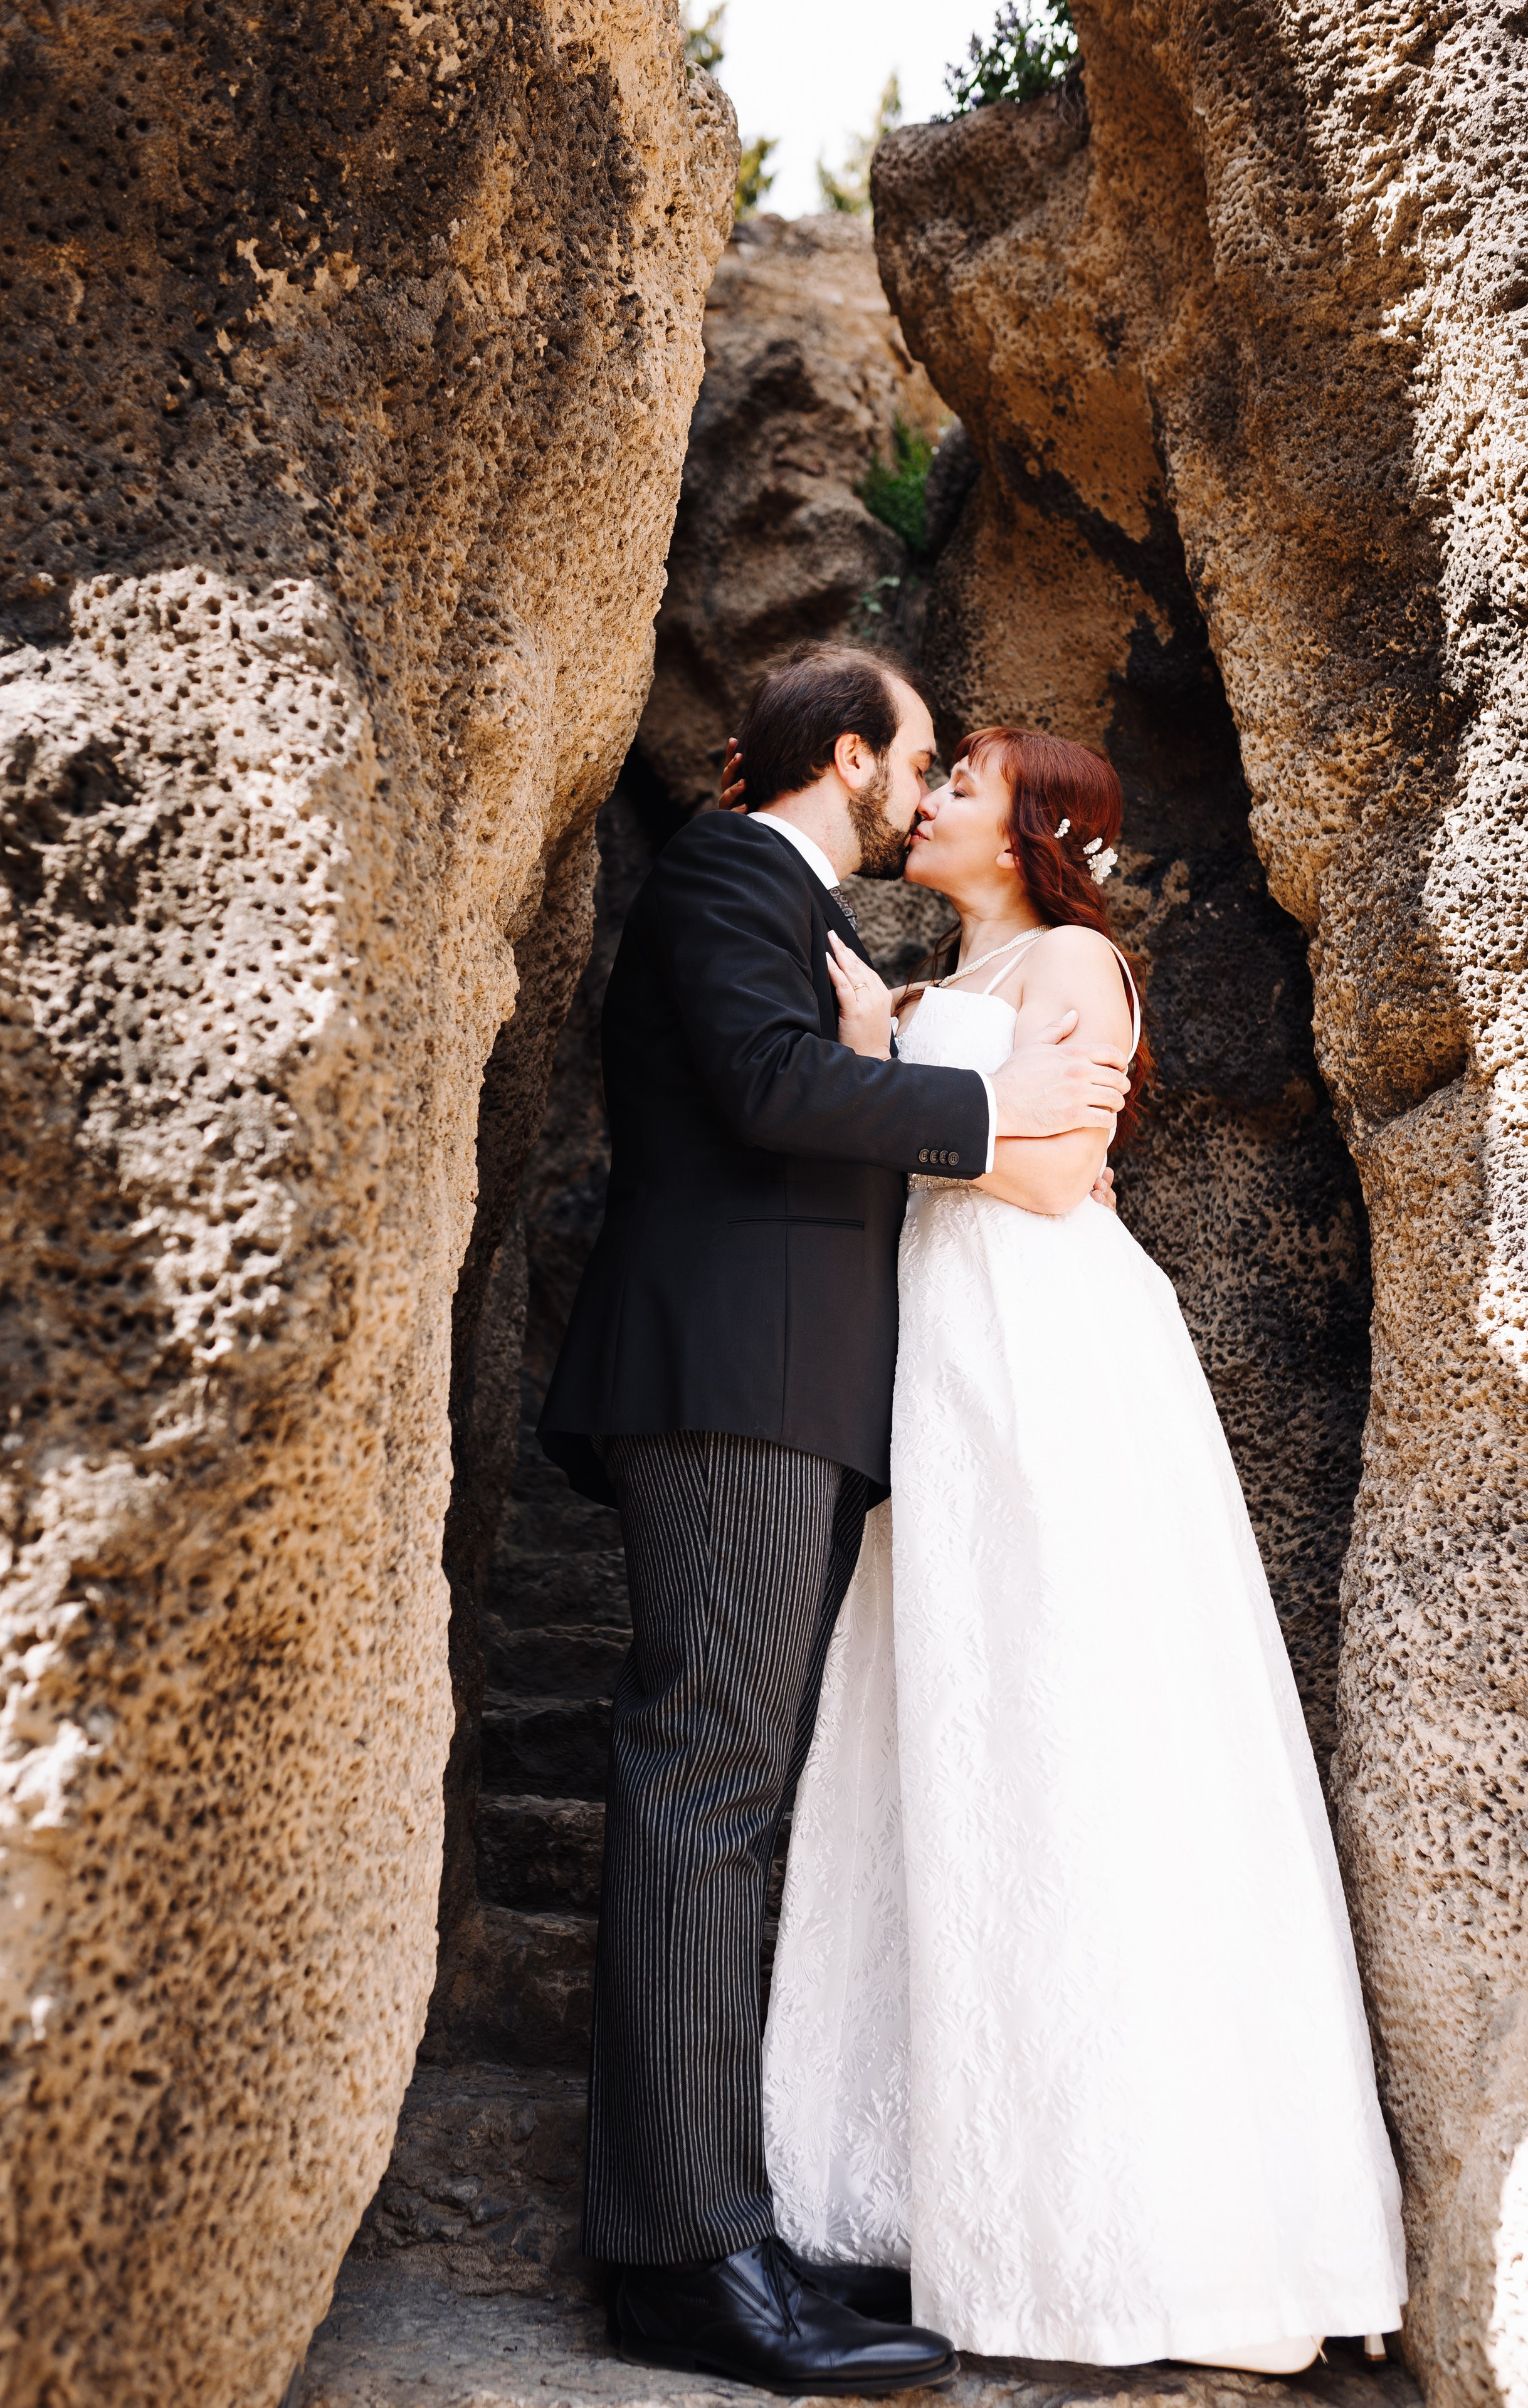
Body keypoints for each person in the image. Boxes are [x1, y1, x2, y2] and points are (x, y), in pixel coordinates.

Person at [761, 725, 1408, 2375]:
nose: (939, 796)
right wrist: (886, 1053)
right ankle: (918, 2201)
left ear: (1038, 827)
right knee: (950, 1724)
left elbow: (1053, 1178)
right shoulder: (929, 986)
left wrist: (887, 1084)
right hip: (947, 1357)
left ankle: (1123, 2231)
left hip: (1046, 1347)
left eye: (968, 780)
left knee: (1073, 1718)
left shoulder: (1078, 961)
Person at [538, 648, 1132, 2394]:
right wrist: (995, 1104)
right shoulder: (731, 872)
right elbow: (772, 1097)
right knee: (704, 1788)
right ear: (853, 758)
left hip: (782, 1394)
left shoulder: (816, 922)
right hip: (724, 1383)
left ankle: (720, 2222)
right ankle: (678, 2256)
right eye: (921, 756)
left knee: (724, 1798)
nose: (930, 784)